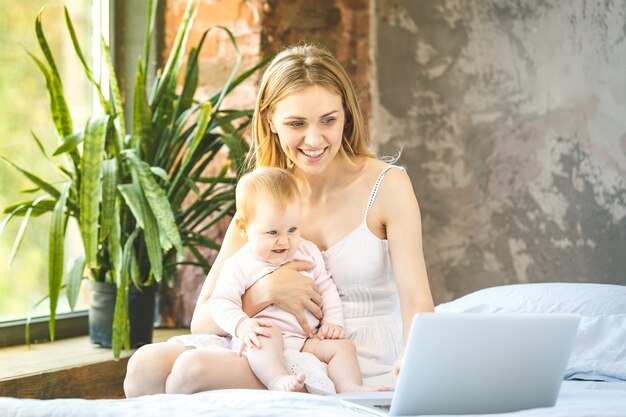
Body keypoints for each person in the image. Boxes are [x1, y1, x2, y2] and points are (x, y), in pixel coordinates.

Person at [124, 43, 434, 397]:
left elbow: (417, 303)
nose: (314, 139)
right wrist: (264, 292)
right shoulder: (270, 195)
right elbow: (203, 320)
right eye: (296, 123)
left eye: (328, 120)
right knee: (144, 364)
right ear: (270, 120)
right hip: (267, 344)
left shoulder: (388, 186)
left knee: (191, 372)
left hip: (344, 352)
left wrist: (414, 358)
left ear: (347, 114)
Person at [206, 166, 384, 393]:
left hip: (305, 341)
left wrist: (333, 322)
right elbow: (220, 302)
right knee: (265, 336)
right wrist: (242, 325)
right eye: (272, 233)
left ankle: (349, 386)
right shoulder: (240, 264)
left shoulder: (308, 252)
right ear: (243, 227)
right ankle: (277, 379)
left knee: (343, 347)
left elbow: (327, 288)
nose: (283, 241)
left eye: (292, 229)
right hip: (264, 339)